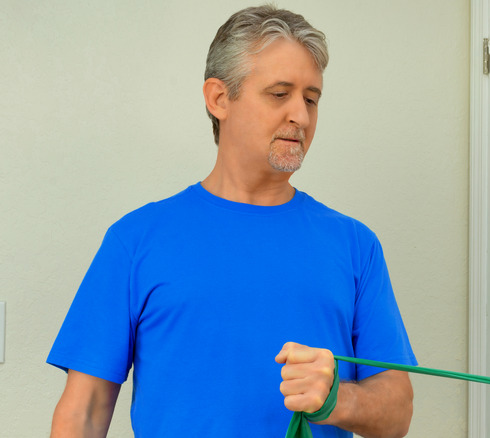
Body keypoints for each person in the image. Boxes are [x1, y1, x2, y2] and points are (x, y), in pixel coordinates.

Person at [47, 5, 416, 437]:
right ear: (219, 98)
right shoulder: (136, 240)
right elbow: (83, 414)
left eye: (311, 98)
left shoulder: (355, 245)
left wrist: (338, 398)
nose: (301, 115)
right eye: (280, 94)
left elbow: (398, 413)